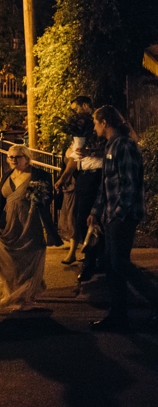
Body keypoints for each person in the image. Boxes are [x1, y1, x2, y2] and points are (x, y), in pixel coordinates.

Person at [88, 106, 158, 332]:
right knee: (111, 264)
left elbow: (129, 185)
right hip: (112, 215)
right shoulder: (112, 146)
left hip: (123, 215)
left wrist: (116, 214)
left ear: (105, 122)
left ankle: (152, 300)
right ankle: (118, 315)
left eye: (95, 122)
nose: (94, 127)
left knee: (119, 263)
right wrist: (96, 211)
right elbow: (106, 184)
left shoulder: (124, 146)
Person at [0, 144, 62, 311]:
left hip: (31, 223)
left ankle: (27, 297)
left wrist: (40, 196)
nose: (13, 160)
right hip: (10, 224)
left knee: (30, 259)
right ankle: (14, 292)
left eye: (17, 157)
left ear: (26, 158)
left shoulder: (40, 175)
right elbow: (1, 201)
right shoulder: (7, 175)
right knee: (13, 262)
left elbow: (48, 199)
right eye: (10, 157)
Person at [54, 96, 104, 267]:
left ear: (84, 106)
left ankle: (96, 259)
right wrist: (63, 178)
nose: (74, 114)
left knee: (90, 217)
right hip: (83, 176)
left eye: (75, 109)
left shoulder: (99, 125)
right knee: (81, 217)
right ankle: (92, 257)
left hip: (95, 174)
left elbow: (110, 150)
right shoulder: (81, 131)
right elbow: (75, 157)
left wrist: (92, 152)